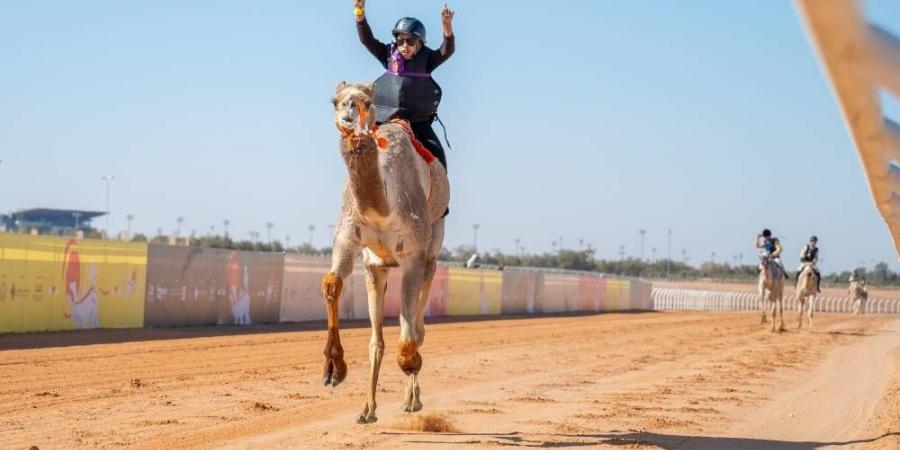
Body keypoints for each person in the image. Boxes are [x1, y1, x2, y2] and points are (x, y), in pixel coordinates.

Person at [353, 0, 455, 171]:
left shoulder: (428, 59)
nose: (404, 46)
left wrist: (447, 28)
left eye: (410, 41)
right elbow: (367, 40)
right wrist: (359, 13)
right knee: (358, 147)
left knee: (439, 158)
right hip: (384, 120)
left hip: (418, 122)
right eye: (400, 41)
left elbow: (447, 50)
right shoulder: (387, 54)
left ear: (420, 43)